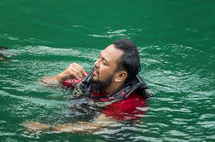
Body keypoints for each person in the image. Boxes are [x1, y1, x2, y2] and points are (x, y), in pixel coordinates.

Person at [25, 39, 153, 133]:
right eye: (99, 57)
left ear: (120, 76)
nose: (96, 63)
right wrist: (60, 77)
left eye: (104, 62)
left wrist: (47, 128)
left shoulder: (130, 102)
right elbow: (42, 83)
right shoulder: (92, 81)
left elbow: (92, 127)